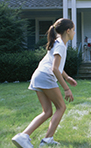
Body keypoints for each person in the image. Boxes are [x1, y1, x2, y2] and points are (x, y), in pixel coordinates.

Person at [12, 18, 77, 148]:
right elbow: (54, 68)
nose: (74, 33)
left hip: (38, 76)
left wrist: (67, 77)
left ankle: (23, 136)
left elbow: (56, 66)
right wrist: (66, 88)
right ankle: (47, 139)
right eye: (74, 30)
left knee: (47, 111)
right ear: (68, 31)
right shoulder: (60, 45)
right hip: (46, 76)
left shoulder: (57, 43)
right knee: (61, 107)